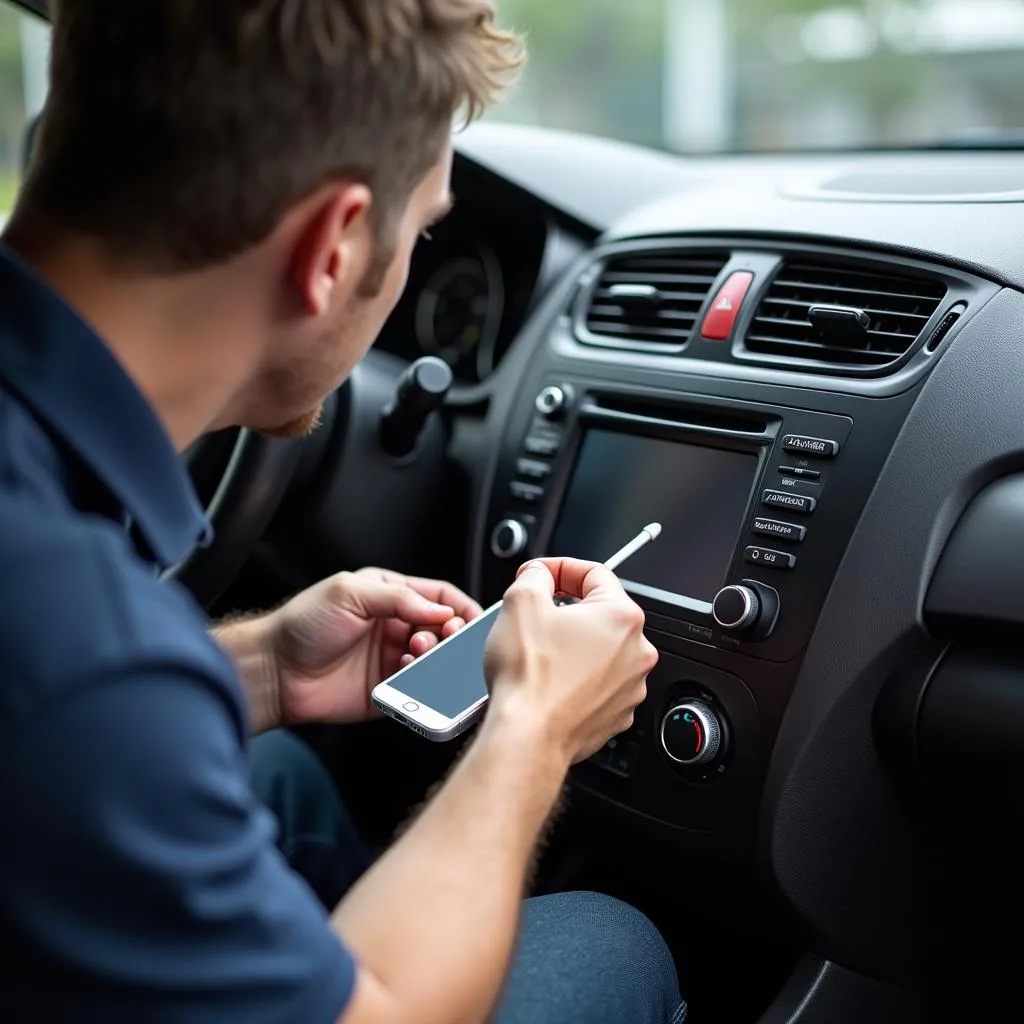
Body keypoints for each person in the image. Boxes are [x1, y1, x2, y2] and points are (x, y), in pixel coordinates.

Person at [0, 2, 686, 1022]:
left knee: (285, 779)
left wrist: (264, 667)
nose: (409, 260)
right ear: (331, 248)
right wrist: (534, 732)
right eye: (419, 231)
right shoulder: (80, 639)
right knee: (612, 943)